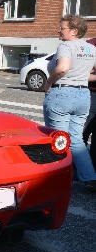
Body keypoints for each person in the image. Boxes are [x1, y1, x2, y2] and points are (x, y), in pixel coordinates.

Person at [43, 15, 96, 187]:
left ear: (73, 31)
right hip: (83, 96)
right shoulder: (91, 49)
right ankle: (89, 177)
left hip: (62, 94)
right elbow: (89, 73)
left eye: (62, 28)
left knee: (59, 139)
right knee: (76, 139)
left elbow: (63, 68)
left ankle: (56, 179)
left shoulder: (65, 46)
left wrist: (49, 82)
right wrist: (79, 77)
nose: (59, 30)